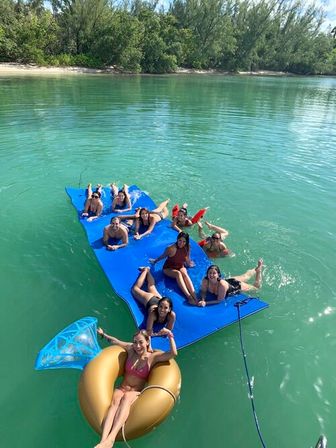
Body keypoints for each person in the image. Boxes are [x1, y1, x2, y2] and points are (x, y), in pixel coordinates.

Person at [94, 328, 177, 448]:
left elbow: (173, 354)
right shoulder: (130, 349)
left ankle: (111, 439)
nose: (137, 346)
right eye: (135, 342)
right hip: (122, 387)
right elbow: (115, 341)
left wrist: (170, 335)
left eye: (140, 342)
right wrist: (103, 334)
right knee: (115, 401)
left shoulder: (152, 357)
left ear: (147, 342)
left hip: (135, 391)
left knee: (126, 398)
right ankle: (103, 441)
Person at [150, 232, 197, 305]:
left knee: (185, 273)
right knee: (178, 274)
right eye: (180, 240)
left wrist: (188, 263)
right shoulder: (171, 248)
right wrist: (155, 261)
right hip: (168, 268)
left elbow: (187, 257)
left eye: (184, 241)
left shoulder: (187, 247)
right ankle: (189, 297)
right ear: (177, 239)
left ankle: (195, 297)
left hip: (180, 265)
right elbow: (163, 256)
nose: (181, 243)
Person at [197, 260, 264, 307]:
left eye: (214, 273)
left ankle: (258, 271)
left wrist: (206, 303)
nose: (211, 275)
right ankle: (256, 269)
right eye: (210, 273)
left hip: (236, 286)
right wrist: (202, 299)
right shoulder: (205, 280)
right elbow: (203, 291)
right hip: (228, 281)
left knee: (255, 288)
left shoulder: (221, 285)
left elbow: (219, 300)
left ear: (218, 275)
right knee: (245, 276)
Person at [131, 267, 176, 335]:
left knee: (151, 287)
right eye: (160, 307)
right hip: (150, 300)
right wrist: (158, 333)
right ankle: (145, 270)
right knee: (135, 289)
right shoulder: (153, 313)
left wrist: (165, 331)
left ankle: (148, 271)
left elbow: (169, 330)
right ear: (158, 306)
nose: (162, 310)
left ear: (169, 309)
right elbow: (149, 331)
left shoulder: (172, 315)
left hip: (160, 300)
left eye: (166, 308)